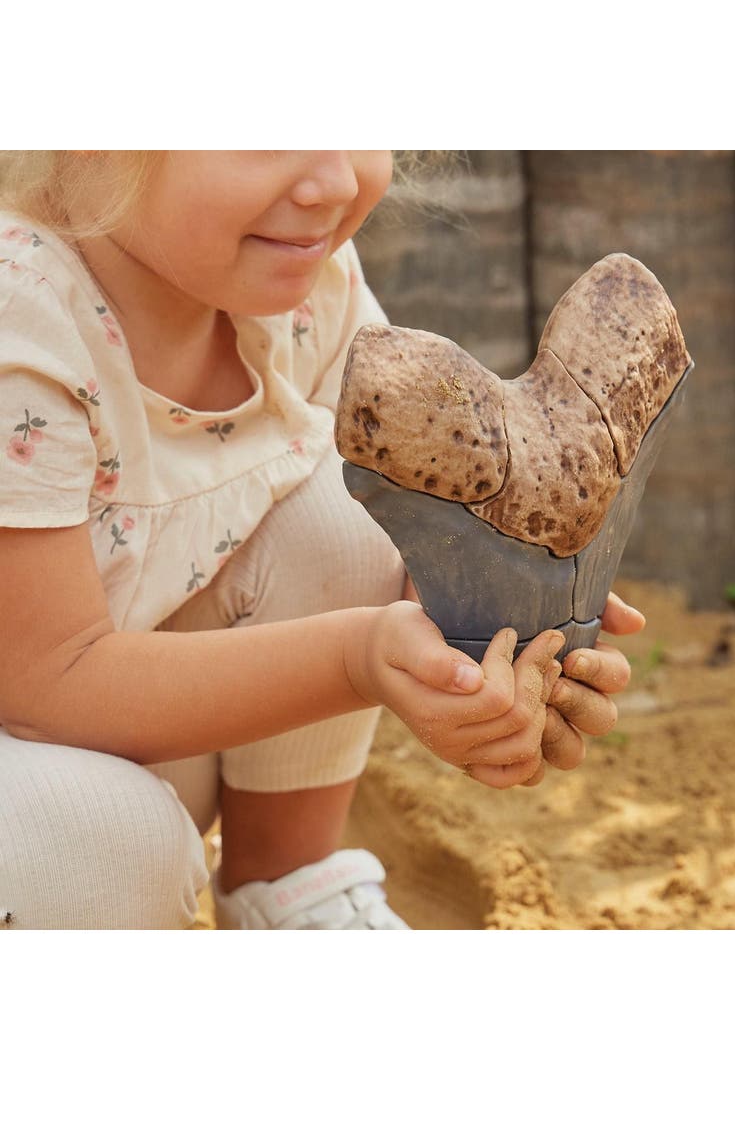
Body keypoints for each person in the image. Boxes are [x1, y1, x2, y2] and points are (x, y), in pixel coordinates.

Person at [0, 151, 644, 930]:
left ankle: (290, 889)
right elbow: (49, 684)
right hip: (40, 770)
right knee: (109, 848)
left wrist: (497, 611)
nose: (335, 183)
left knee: (365, 521)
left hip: (132, 730)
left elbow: (411, 538)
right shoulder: (21, 310)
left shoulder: (297, 283)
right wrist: (359, 657)